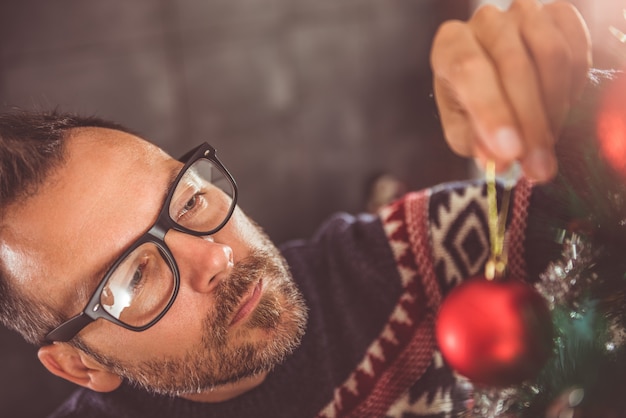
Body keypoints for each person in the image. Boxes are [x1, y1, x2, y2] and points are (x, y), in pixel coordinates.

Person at [0, 0, 593, 416]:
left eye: (189, 198)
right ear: (81, 366)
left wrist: (579, 106)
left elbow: (597, 229)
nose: (215, 255)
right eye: (135, 277)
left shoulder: (418, 260)